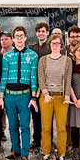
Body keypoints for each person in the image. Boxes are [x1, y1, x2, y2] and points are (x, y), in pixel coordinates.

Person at [0, 26, 38, 160]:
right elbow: (4, 77)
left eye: (21, 36)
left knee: (25, 126)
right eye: (17, 36)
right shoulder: (7, 56)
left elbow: (33, 77)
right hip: (9, 96)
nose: (19, 38)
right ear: (13, 39)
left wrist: (33, 98)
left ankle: (25, 155)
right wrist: (1, 98)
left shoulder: (33, 55)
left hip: (25, 96)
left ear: (25, 37)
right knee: (12, 126)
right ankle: (15, 150)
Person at [38, 33, 72, 160]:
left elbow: (68, 80)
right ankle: (46, 153)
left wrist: (67, 96)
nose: (55, 46)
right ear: (50, 45)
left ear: (61, 45)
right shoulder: (43, 60)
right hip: (46, 97)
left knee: (61, 128)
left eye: (58, 43)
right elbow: (41, 78)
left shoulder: (67, 60)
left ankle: (61, 154)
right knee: (46, 127)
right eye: (53, 43)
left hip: (61, 97)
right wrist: (45, 93)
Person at [29, 22, 51, 150]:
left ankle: (48, 141)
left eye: (43, 31)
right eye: (38, 31)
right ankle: (36, 140)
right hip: (34, 86)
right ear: (36, 33)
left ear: (47, 32)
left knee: (48, 116)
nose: (41, 33)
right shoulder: (31, 48)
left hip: (48, 86)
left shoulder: (51, 47)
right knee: (36, 114)